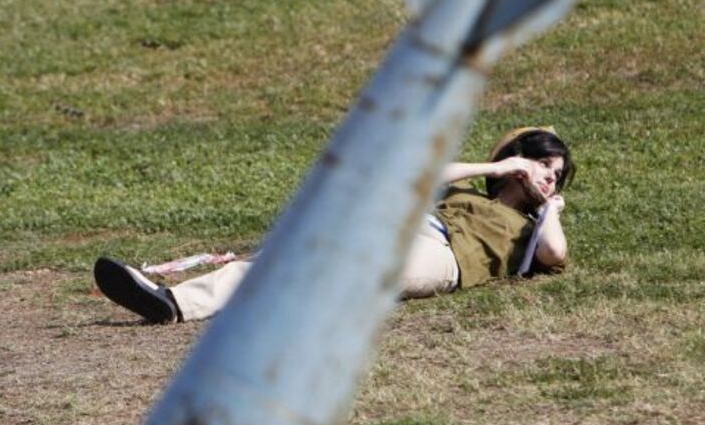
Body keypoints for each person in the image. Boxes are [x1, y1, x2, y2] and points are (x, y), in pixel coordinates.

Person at [94, 127, 574, 324]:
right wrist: (493, 170)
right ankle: (172, 303)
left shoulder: (530, 227)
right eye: (541, 165)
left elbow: (555, 256)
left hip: (439, 256)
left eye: (556, 174)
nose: (548, 177)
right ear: (516, 162)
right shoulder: (467, 190)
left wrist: (550, 210)